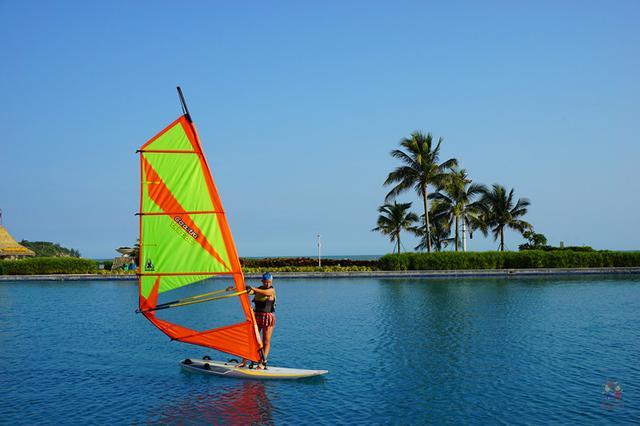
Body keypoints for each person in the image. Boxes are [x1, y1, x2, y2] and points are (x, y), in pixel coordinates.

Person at [227, 272, 276, 370]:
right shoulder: (259, 289)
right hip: (256, 316)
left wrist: (252, 288)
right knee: (251, 339)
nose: (267, 284)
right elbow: (246, 291)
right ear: (262, 281)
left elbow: (264, 293)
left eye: (269, 282)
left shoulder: (271, 290)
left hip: (268, 317)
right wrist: (234, 289)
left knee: (266, 341)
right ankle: (244, 362)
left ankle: (262, 363)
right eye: (266, 282)